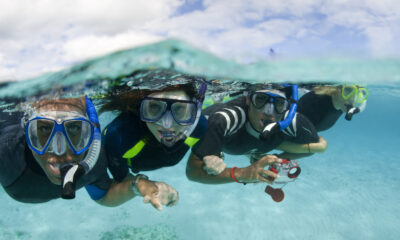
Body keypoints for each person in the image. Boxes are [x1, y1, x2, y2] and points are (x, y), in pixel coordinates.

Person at [100, 69, 207, 210]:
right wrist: (143, 185)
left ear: (193, 112)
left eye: (180, 110)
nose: (166, 124)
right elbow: (122, 179)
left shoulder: (199, 126)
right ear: (141, 109)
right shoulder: (119, 136)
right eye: (155, 108)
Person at [0, 96, 132, 205]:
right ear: (28, 133)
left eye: (73, 128)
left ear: (88, 133)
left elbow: (103, 196)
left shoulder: (94, 158)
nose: (60, 152)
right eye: (45, 129)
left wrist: (138, 187)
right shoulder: (7, 152)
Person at [186, 84, 327, 184]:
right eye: (260, 99)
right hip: (216, 126)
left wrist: (275, 159)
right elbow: (193, 171)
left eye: (278, 103)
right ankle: (214, 100)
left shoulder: (293, 121)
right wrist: (241, 174)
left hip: (246, 145)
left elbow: (313, 148)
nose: (268, 111)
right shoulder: (225, 120)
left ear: (287, 106)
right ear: (248, 99)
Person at [297, 85, 369, 132]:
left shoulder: (340, 104)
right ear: (337, 90)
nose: (353, 99)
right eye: (348, 90)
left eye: (359, 93)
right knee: (321, 146)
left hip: (304, 132)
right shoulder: (316, 100)